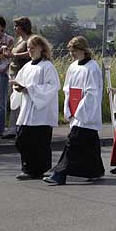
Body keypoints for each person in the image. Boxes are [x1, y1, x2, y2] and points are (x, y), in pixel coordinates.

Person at [45, 36, 105, 185]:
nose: (72, 53)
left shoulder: (92, 67)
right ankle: (95, 170)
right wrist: (69, 107)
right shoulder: (73, 67)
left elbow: (93, 92)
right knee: (90, 143)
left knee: (73, 142)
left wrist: (81, 111)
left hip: (85, 110)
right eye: (70, 50)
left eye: (75, 50)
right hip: (74, 107)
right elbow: (67, 89)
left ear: (83, 50)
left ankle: (60, 173)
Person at [11, 35, 59, 180]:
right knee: (22, 140)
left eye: (32, 47)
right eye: (28, 47)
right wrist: (17, 86)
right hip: (27, 109)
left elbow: (53, 86)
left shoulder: (47, 66)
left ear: (41, 48)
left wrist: (30, 89)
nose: (29, 50)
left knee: (40, 142)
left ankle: (40, 169)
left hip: (41, 112)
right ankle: (29, 167)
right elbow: (19, 81)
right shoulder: (27, 66)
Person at [4, 17, 32, 140]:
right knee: (14, 100)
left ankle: (17, 127)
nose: (14, 28)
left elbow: (30, 53)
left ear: (22, 27)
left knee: (20, 100)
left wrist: (14, 54)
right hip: (13, 71)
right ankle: (13, 127)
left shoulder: (30, 39)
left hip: (22, 73)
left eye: (16, 26)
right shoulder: (19, 40)